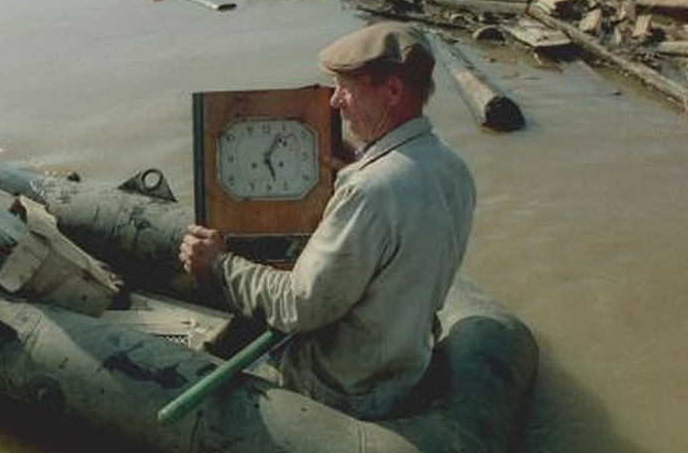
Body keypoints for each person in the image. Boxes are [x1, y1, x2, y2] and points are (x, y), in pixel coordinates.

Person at [179, 21, 475, 419]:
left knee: (194, 362)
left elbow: (301, 307)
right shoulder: (451, 168)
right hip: (403, 370)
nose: (334, 101)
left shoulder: (370, 192)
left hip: (341, 390)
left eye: (347, 88)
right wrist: (360, 164)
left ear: (392, 91)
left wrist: (220, 264)